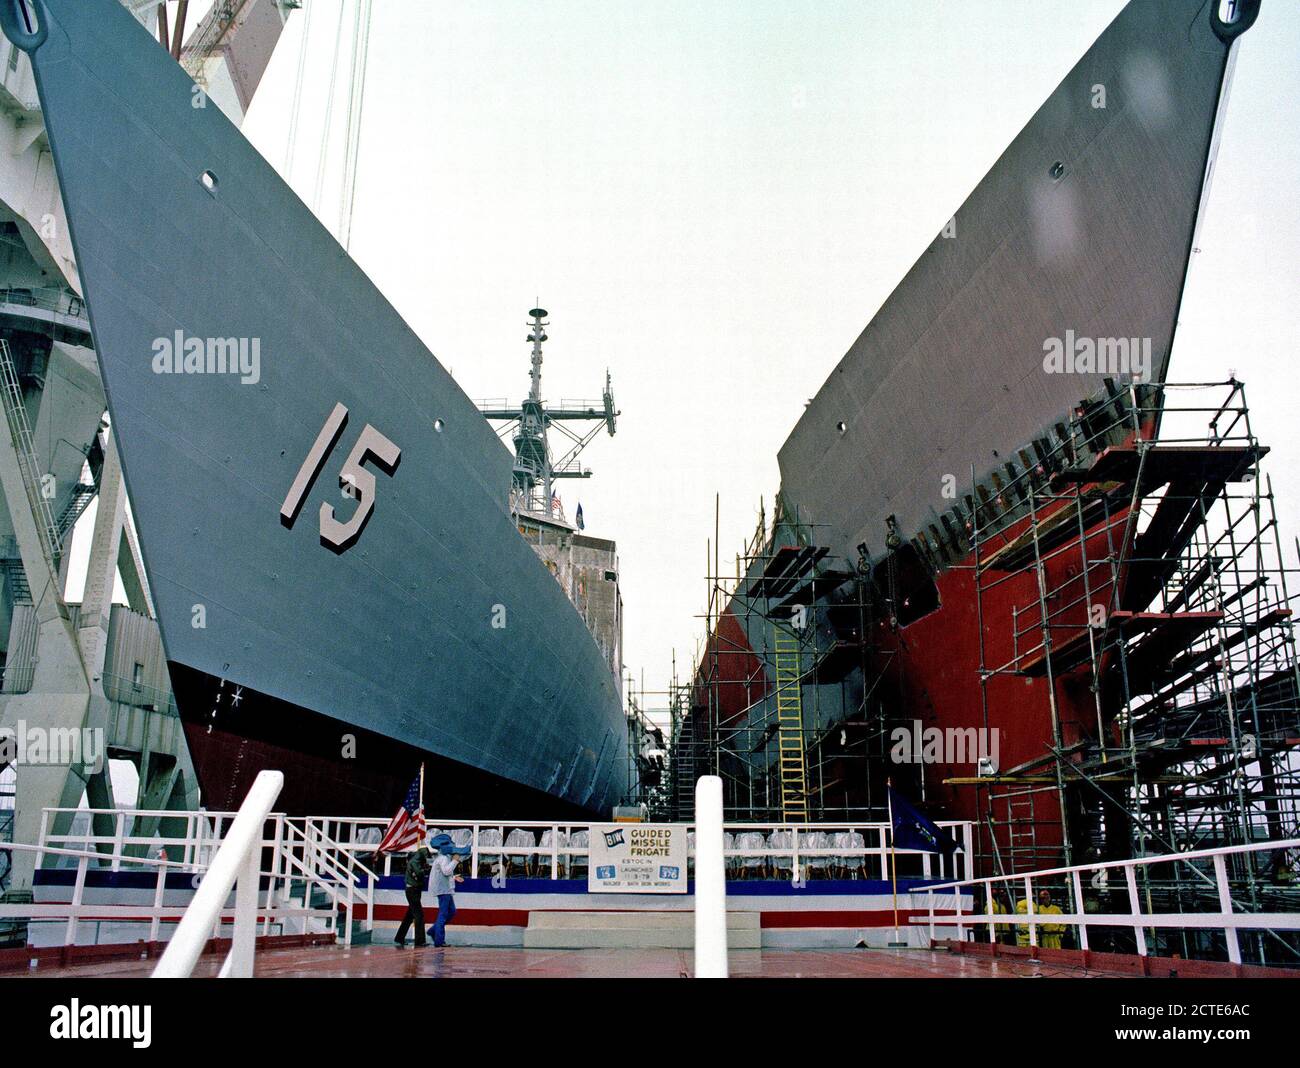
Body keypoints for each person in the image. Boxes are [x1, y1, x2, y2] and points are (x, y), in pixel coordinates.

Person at [425, 832, 469, 948]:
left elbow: (445, 873)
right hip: (443, 890)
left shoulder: (443, 858)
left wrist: (454, 877)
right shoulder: (443, 858)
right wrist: (455, 860)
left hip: (445, 889)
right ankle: (439, 940)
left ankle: (433, 930)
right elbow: (446, 871)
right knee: (443, 914)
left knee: (451, 912)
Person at [394, 841, 432, 948]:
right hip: (413, 891)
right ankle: (420, 941)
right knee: (419, 916)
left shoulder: (415, 861)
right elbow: (419, 874)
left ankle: (399, 937)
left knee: (409, 916)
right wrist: (425, 869)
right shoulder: (415, 862)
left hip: (413, 890)